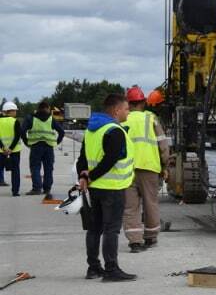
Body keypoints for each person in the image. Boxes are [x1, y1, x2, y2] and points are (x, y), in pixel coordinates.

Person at [76, 93, 136, 281]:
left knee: (94, 228)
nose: (128, 112)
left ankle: (93, 268)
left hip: (95, 188)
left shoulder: (92, 130)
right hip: (113, 187)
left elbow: (82, 159)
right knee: (111, 229)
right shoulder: (114, 130)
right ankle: (111, 270)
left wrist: (84, 176)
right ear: (117, 110)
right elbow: (110, 160)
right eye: (126, 109)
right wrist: (90, 176)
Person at [123, 86, 172, 252]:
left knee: (130, 206)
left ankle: (134, 242)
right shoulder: (151, 119)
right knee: (150, 204)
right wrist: (165, 165)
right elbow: (163, 144)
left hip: (126, 169)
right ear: (143, 102)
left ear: (128, 103)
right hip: (150, 167)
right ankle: (150, 237)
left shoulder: (123, 119)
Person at [24, 101, 65, 197]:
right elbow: (61, 132)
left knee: (35, 167)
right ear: (47, 108)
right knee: (48, 168)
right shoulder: (51, 119)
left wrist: (26, 142)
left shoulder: (30, 118)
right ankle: (47, 189)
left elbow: (22, 130)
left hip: (35, 146)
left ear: (38, 108)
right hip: (49, 147)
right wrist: (56, 142)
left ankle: (37, 188)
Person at [1, 100, 24, 196]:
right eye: (14, 111)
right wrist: (10, 148)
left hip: (1, 151)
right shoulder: (15, 121)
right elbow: (18, 136)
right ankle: (15, 191)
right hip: (14, 151)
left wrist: (3, 147)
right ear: (9, 111)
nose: (16, 112)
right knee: (15, 171)